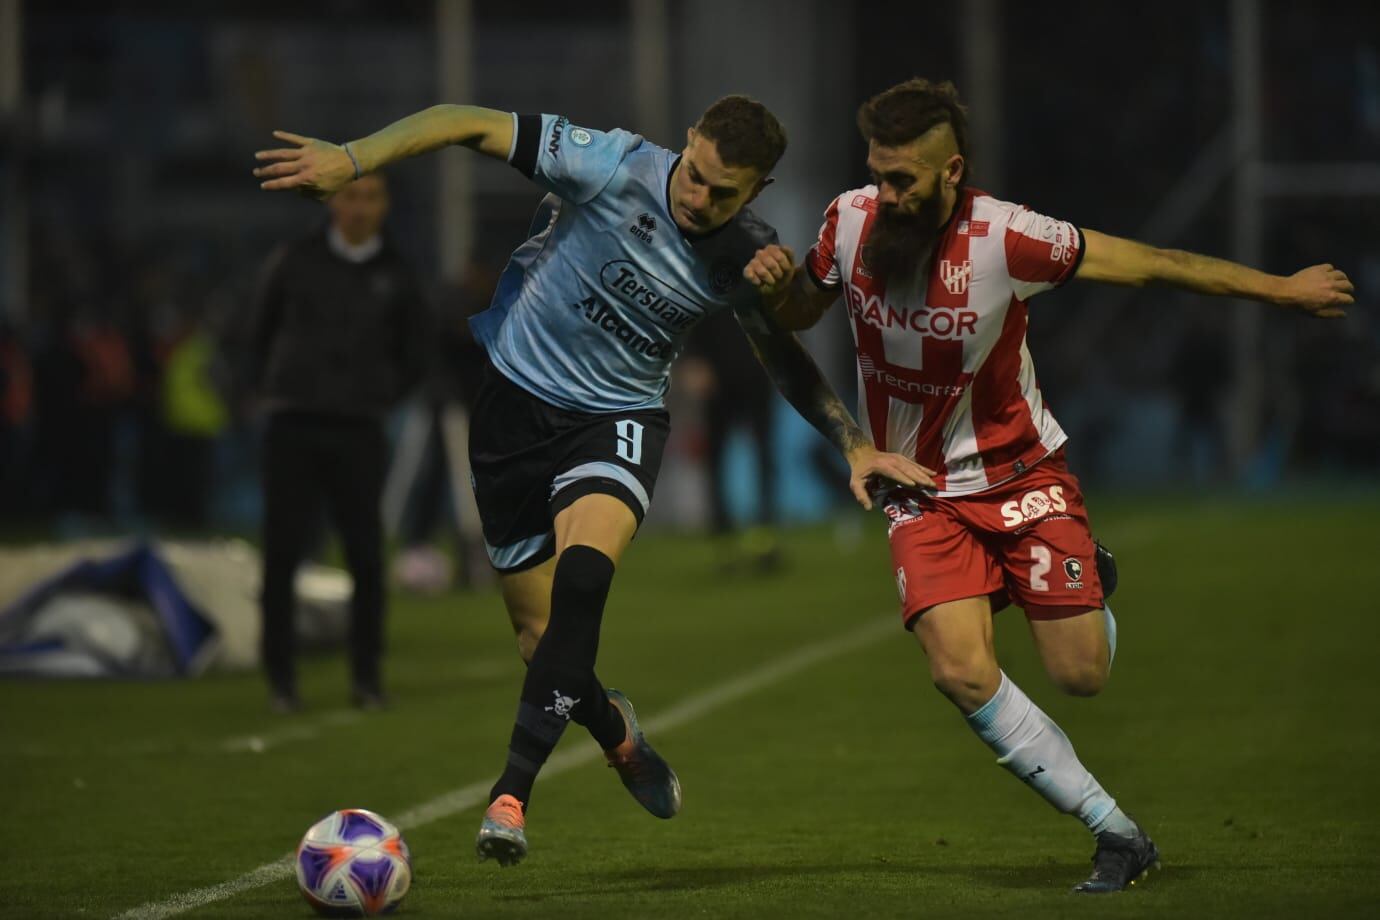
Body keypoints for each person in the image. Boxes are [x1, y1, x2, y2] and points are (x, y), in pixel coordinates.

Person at [253, 97, 929, 866]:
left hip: (618, 420)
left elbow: (782, 356)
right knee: (540, 640)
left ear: (758, 191)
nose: (699, 199)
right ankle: (616, 732)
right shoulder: (608, 164)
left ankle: (510, 797)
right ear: (687, 142)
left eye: (724, 193)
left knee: (583, 582)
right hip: (511, 412)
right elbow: (462, 121)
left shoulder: (746, 252)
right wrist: (355, 155)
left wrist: (852, 442)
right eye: (696, 176)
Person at [745, 78, 1354, 894]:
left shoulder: (1008, 237)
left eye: (903, 181)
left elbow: (1150, 266)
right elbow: (799, 314)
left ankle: (1087, 576)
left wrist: (1278, 289)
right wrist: (772, 284)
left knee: (1081, 675)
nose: (884, 194)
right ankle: (1116, 832)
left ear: (951, 170)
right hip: (918, 489)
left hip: (1021, 474)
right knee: (958, 672)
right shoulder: (847, 220)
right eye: (877, 173)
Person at [247, 171, 430, 712]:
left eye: (371, 196)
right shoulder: (294, 260)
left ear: (385, 203)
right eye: (351, 196)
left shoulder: (397, 274)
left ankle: (366, 678)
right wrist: (268, 389)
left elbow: (415, 354)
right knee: (282, 556)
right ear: (334, 203)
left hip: (359, 430)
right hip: (293, 424)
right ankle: (281, 680)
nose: (360, 207)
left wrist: (379, 396)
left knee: (366, 558)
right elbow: (256, 332)